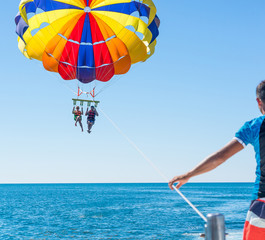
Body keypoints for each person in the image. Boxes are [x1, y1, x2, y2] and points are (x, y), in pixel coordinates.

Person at [168, 80, 265, 240]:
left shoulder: (253, 126)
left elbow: (220, 157)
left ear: (258, 101)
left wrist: (188, 174)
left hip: (262, 205)